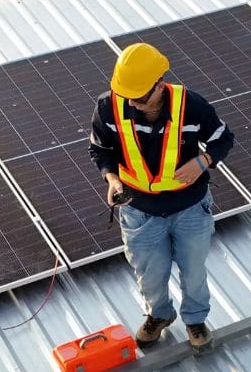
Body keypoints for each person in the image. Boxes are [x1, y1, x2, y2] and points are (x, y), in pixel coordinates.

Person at [88, 42, 234, 350]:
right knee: (150, 275)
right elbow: (100, 149)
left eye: (141, 97)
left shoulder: (192, 106)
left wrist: (203, 162)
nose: (135, 104)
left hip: (190, 208)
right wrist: (112, 179)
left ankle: (195, 320)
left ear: (160, 83)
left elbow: (223, 137)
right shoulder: (108, 107)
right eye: (129, 97)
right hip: (139, 212)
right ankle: (159, 315)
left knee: (193, 271)